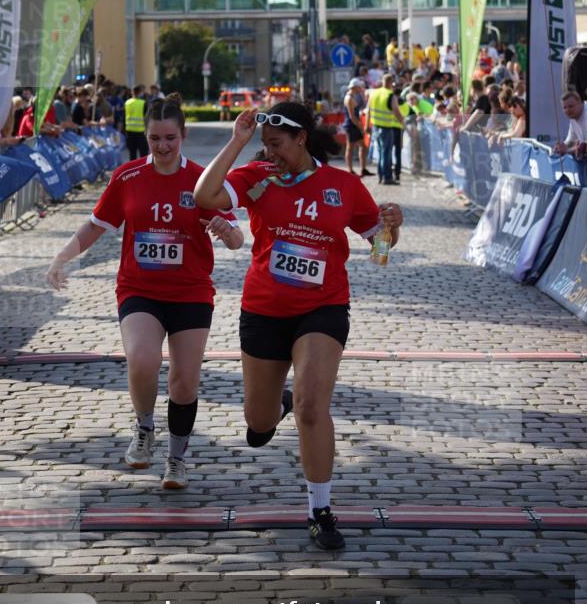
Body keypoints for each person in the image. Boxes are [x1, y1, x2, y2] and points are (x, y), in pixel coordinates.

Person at [194, 102, 403, 551]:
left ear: (302, 138)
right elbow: (205, 196)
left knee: (312, 406)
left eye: (277, 145)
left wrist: (391, 227)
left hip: (322, 309)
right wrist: (237, 141)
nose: (270, 153)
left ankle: (320, 510)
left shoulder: (343, 187)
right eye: (264, 145)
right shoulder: (255, 176)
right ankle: (278, 404)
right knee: (259, 422)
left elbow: (380, 249)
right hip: (264, 309)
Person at [46, 94, 243, 489]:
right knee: (141, 360)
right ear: (146, 136)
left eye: (170, 137)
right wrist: (60, 258)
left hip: (190, 291)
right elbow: (95, 224)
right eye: (155, 138)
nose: (163, 146)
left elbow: (237, 239)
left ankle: (176, 458)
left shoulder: (203, 181)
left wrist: (227, 232)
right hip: (140, 289)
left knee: (184, 382)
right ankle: (144, 427)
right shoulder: (128, 177)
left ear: (183, 134)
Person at [366, 73, 405, 185]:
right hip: (386, 128)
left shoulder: (374, 93)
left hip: (375, 127)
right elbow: (396, 111)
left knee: (380, 152)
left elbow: (368, 110)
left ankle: (381, 175)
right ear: (390, 82)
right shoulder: (390, 95)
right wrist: (403, 122)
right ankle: (387, 177)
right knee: (386, 153)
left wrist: (367, 126)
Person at [342, 78, 371, 177]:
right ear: (355, 87)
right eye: (359, 87)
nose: (361, 89)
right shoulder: (349, 98)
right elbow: (352, 116)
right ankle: (350, 170)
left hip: (352, 125)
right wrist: (360, 127)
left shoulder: (352, 96)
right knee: (350, 147)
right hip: (351, 126)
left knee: (362, 146)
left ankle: (362, 169)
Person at [554, 90, 587, 155]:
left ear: (581, 103)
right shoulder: (573, 118)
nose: (567, 110)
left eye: (571, 106)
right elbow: (570, 140)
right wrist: (560, 147)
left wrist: (567, 150)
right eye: (564, 108)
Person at [124, 84, 149, 159]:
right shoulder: (143, 103)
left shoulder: (127, 102)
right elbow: (147, 117)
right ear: (140, 92)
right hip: (140, 131)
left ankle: (133, 169)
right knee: (143, 152)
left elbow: (124, 117)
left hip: (129, 131)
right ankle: (143, 168)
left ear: (132, 92)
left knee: (132, 153)